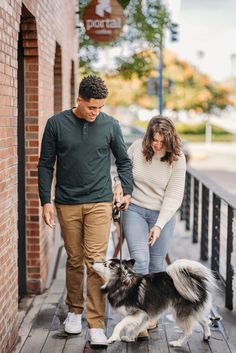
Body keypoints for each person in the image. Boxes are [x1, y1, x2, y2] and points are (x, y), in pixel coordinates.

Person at [38, 75, 132, 345]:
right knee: (75, 259)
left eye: (100, 107)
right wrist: (46, 200)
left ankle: (95, 323)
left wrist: (125, 189)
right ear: (78, 100)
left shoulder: (110, 125)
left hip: (100, 202)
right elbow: (45, 165)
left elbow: (124, 162)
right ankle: (74, 311)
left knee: (95, 261)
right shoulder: (56, 124)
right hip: (66, 202)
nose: (96, 113)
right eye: (91, 107)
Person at [114, 116, 186, 338]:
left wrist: (158, 225)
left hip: (162, 213)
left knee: (156, 265)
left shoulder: (177, 158)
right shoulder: (137, 147)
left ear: (170, 140)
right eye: (154, 139)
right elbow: (124, 171)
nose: (157, 145)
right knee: (140, 260)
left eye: (162, 141)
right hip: (135, 209)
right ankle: (139, 316)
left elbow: (174, 196)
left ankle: (151, 310)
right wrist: (119, 185)